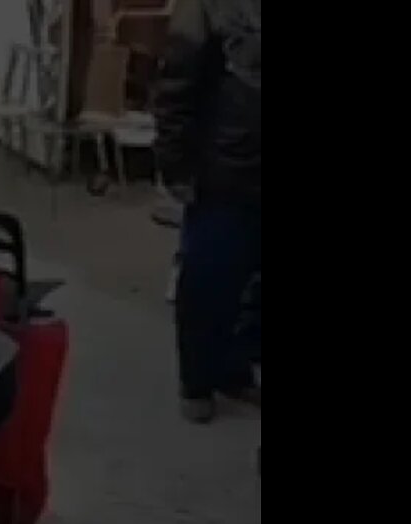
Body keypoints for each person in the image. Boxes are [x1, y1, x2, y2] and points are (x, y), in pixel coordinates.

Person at [153, 0, 261, 423]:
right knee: (210, 280)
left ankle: (233, 371)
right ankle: (197, 381)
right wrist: (176, 165)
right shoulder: (207, 7)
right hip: (226, 172)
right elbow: (177, 85)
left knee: (253, 289)